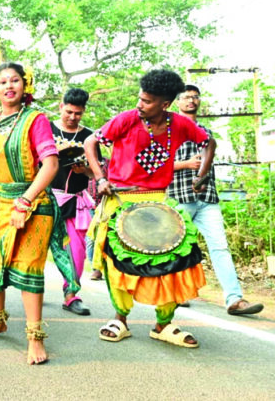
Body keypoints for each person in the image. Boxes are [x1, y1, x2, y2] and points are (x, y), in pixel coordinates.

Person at [85, 69, 214, 348]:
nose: (139, 104)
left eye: (147, 101)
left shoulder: (179, 124)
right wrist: (101, 178)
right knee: (118, 265)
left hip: (160, 201)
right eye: (140, 98)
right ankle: (120, 319)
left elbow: (208, 143)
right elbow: (90, 142)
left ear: (164, 104)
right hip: (122, 201)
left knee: (173, 263)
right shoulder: (127, 120)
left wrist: (201, 175)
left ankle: (163, 324)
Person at [0, 62, 74, 365]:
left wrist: (25, 200)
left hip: (32, 204)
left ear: (24, 86)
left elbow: (50, 165)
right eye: (2, 82)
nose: (8, 86)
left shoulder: (35, 119)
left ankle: (34, 337)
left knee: (28, 268)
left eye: (15, 81)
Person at [169, 85, 264, 315]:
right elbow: (157, 167)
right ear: (177, 102)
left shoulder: (207, 132)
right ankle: (175, 294)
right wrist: (186, 164)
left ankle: (234, 299)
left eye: (195, 97)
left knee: (220, 247)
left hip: (208, 198)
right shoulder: (168, 131)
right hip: (180, 197)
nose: (191, 100)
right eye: (186, 97)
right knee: (176, 248)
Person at [49, 88, 96, 316]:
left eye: (77, 113)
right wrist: (55, 152)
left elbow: (94, 173)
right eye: (69, 112)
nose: (72, 117)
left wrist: (83, 168)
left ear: (83, 111)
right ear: (61, 107)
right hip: (46, 198)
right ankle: (32, 290)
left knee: (76, 252)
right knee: (35, 249)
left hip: (76, 201)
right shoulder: (46, 130)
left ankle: (71, 295)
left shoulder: (89, 136)